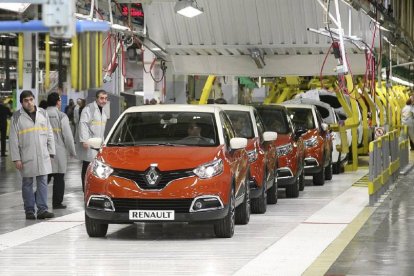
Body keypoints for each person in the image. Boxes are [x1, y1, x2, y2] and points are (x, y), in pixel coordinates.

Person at [9, 90, 55, 220]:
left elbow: (50, 133)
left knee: (42, 182)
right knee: (27, 183)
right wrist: (16, 158)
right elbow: (13, 140)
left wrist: (51, 152)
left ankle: (42, 210)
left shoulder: (43, 113)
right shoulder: (16, 117)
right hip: (26, 155)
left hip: (43, 154)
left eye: (30, 99)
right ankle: (29, 210)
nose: (29, 103)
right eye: (26, 101)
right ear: (22, 103)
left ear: (34, 99)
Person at [46, 92, 76, 209]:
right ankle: (57, 203)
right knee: (59, 177)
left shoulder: (41, 114)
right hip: (58, 151)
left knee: (45, 178)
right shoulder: (61, 115)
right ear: (58, 102)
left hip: (44, 151)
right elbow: (68, 136)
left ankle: (34, 198)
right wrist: (72, 151)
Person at [78, 90, 108, 191]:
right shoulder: (89, 108)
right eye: (101, 98)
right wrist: (84, 140)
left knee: (96, 165)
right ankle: (85, 188)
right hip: (90, 141)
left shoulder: (103, 110)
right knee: (87, 165)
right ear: (96, 98)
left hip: (98, 142)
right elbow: (83, 124)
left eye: (105, 98)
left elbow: (102, 128)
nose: (103, 100)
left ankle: (94, 186)